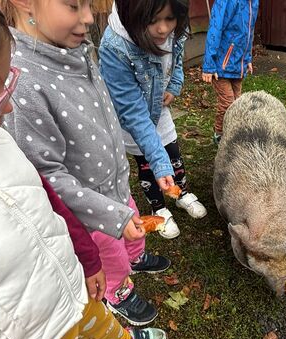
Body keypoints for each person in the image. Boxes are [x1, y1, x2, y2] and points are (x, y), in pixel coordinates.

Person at [0, 0, 166, 339]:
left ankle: (122, 330)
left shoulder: (77, 54)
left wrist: (84, 259)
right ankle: (121, 291)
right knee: (113, 261)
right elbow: (55, 180)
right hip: (30, 334)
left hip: (72, 266)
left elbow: (45, 200)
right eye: (73, 5)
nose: (6, 108)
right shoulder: (27, 87)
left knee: (108, 284)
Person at [99, 0, 207, 240]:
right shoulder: (115, 47)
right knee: (150, 165)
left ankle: (180, 193)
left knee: (173, 155)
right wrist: (158, 161)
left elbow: (176, 56)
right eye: (152, 21)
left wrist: (175, 85)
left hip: (158, 108)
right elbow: (134, 114)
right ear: (134, 16)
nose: (163, 29)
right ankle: (159, 208)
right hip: (132, 119)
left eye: (170, 19)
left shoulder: (174, 30)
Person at [201, 0, 260, 144]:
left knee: (237, 102)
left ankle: (233, 133)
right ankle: (219, 134)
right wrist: (209, 65)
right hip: (220, 65)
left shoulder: (254, 3)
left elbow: (249, 33)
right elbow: (215, 29)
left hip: (238, 64)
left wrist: (248, 59)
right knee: (228, 103)